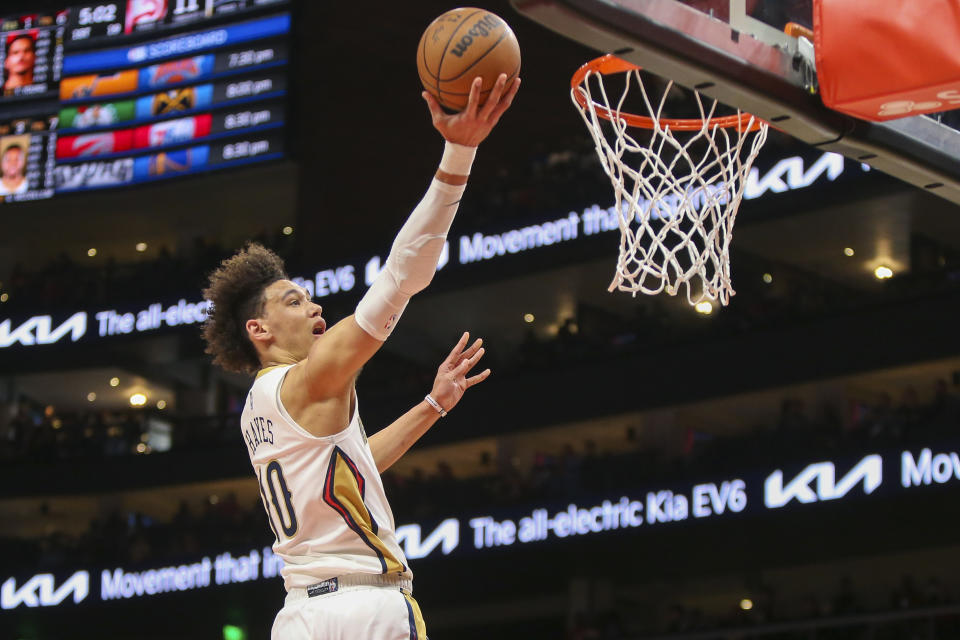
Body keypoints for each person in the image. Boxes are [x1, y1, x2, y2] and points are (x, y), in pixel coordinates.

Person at [201, 73, 519, 639]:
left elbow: (350, 469)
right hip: (364, 610)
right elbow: (400, 276)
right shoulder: (311, 379)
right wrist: (459, 152)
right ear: (260, 329)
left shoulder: (261, 406)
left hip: (300, 616)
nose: (315, 305)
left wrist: (432, 405)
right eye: (294, 300)